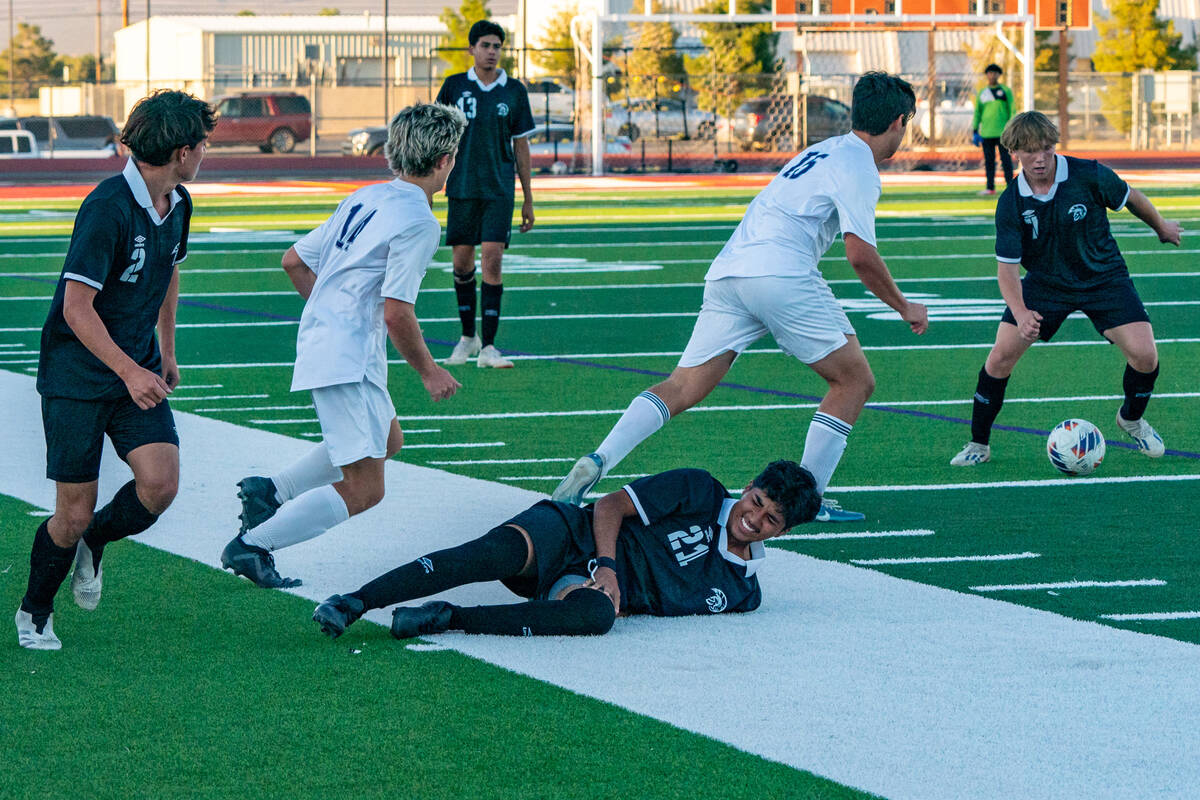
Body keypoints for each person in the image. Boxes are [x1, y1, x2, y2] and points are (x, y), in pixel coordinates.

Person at [550, 71, 929, 523]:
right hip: (780, 272)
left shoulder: (820, 150)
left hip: (730, 270)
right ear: (899, 121)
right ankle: (806, 502)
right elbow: (860, 254)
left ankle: (598, 459)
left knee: (681, 386)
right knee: (853, 382)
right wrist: (903, 305)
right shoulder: (860, 165)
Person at [220, 103, 466, 588]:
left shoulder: (366, 195)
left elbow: (294, 261)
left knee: (388, 440)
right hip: (347, 354)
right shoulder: (420, 219)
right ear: (444, 160)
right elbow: (397, 310)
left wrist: (334, 313)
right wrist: (430, 371)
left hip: (339, 346)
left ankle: (270, 490)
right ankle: (253, 546)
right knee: (366, 488)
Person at [16, 90, 215, 650]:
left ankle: (95, 541)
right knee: (71, 513)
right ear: (181, 151)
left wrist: (166, 352)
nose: (206, 155)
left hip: (137, 369)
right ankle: (34, 611)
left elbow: (169, 272)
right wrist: (131, 371)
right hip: (76, 379)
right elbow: (76, 309)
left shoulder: (177, 201)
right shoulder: (107, 207)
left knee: (160, 484)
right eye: (203, 146)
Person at [312, 460, 820, 639]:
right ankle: (355, 602)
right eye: (755, 502)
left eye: (771, 519)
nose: (753, 518)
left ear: (784, 531)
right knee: (484, 555)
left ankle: (447, 618)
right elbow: (608, 508)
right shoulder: (700, 490)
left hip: (588, 585)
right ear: (749, 485)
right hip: (575, 534)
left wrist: (605, 587)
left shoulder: (741, 592)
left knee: (596, 619)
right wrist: (608, 566)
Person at [950, 111, 1181, 467]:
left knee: (1146, 356)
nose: (1040, 158)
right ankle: (978, 444)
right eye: (1030, 151)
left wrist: (1161, 226)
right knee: (999, 359)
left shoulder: (1087, 174)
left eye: (1046, 148)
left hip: (1104, 278)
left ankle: (1131, 419)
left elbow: (1130, 196)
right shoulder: (1011, 202)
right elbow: (1007, 272)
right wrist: (1023, 313)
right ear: (1014, 152)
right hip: (1045, 284)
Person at [436, 19, 536, 369]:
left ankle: (490, 346)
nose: (492, 52)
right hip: (462, 187)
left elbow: (521, 146)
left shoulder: (514, 91)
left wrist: (528, 197)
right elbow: (438, 139)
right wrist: (430, 183)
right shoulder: (453, 86)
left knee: (492, 259)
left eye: (496, 46)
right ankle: (468, 337)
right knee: (462, 263)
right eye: (485, 46)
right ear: (472, 49)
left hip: (498, 189)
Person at [972, 63, 1015, 196]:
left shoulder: (1006, 91)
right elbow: (977, 113)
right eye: (990, 73)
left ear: (999, 75)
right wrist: (975, 130)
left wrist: (1011, 128)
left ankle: (1010, 187)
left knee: (1006, 161)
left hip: (1003, 133)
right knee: (989, 162)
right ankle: (990, 187)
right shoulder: (982, 93)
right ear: (987, 75)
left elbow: (1012, 110)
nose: (992, 75)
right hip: (986, 133)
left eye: (995, 73)